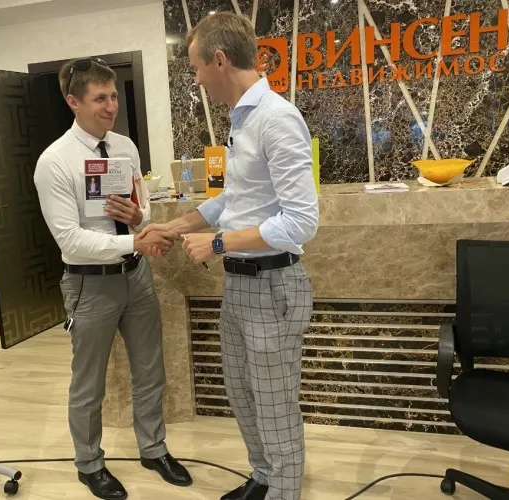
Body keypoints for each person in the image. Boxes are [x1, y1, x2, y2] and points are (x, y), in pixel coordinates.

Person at [141, 12, 319, 500]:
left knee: (275, 405)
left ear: (219, 60)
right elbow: (233, 202)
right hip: (241, 285)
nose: (197, 79)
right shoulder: (242, 120)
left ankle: (283, 491)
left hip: (273, 284)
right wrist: (176, 226)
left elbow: (301, 222)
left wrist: (218, 243)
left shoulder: (277, 119)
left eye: (197, 67)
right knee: (243, 394)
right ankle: (263, 477)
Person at [33, 56, 192, 500]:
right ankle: (89, 464)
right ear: (73, 102)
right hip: (90, 284)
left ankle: (153, 449)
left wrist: (140, 218)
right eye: (100, 98)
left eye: (114, 96)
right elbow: (69, 239)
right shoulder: (54, 162)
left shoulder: (125, 148)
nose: (111, 107)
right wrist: (133, 241)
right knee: (89, 382)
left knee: (150, 369)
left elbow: (144, 208)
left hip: (136, 276)